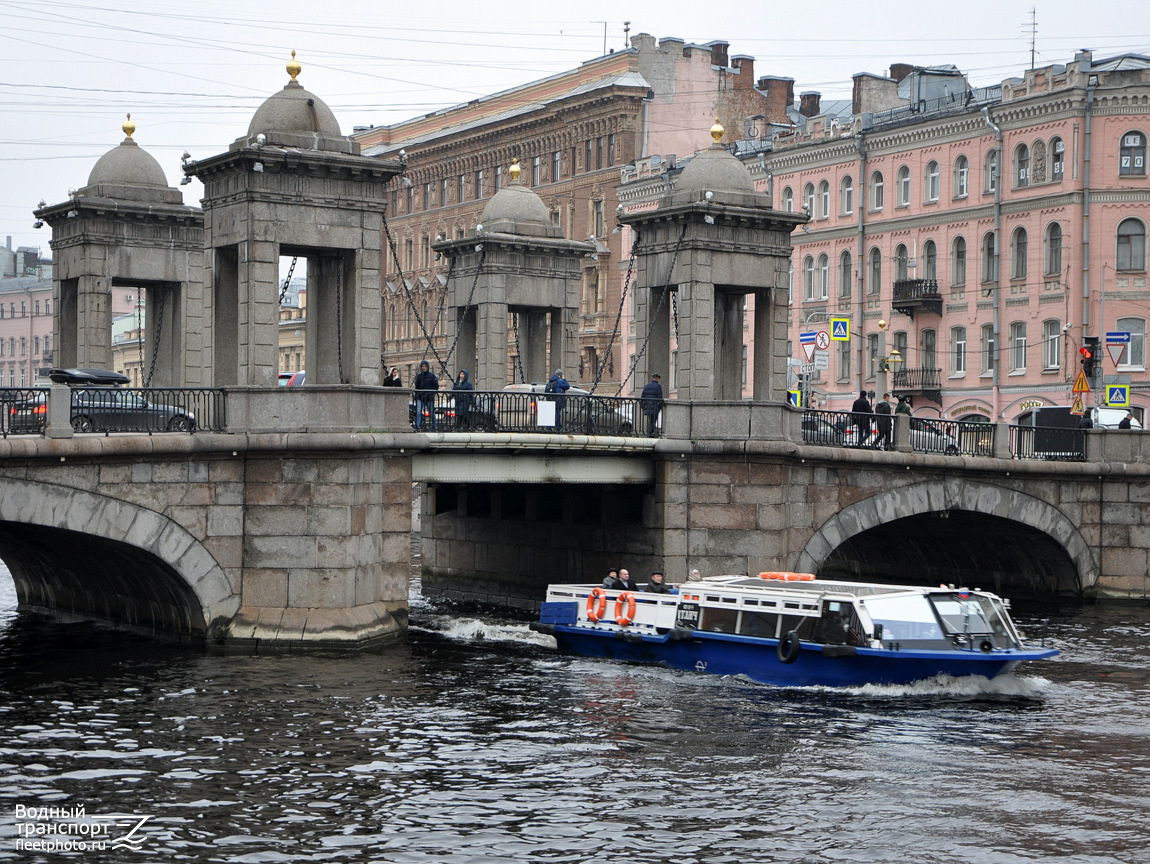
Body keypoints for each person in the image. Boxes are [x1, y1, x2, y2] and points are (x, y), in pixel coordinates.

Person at [412, 360, 439, 430]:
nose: (424, 368)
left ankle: (434, 426)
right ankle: (417, 426)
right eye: (422, 366)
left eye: (425, 366)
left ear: (427, 367)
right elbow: (417, 387)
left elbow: (436, 386)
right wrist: (416, 397)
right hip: (420, 397)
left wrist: (432, 393)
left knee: (431, 412)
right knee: (418, 411)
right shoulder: (419, 377)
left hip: (429, 397)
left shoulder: (431, 376)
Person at [640, 373, 664, 437]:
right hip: (655, 406)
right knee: (653, 420)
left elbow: (642, 397)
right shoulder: (658, 386)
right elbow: (659, 397)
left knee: (651, 420)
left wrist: (642, 406)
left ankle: (651, 433)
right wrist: (661, 406)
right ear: (658, 379)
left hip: (647, 406)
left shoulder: (647, 386)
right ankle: (651, 433)